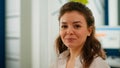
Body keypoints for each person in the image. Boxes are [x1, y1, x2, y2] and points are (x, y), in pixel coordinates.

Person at [51, 1, 110, 68]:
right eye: (64, 26)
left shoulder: (98, 64)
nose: (69, 32)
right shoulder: (59, 61)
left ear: (89, 30)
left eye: (77, 26)